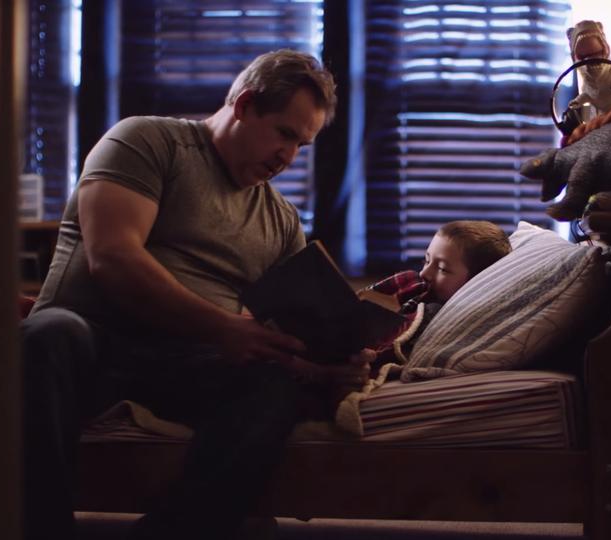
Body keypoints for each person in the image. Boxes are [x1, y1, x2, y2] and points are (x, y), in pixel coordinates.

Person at [20, 49, 372, 540]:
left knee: (273, 386)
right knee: (46, 334)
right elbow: (113, 258)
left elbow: (289, 332)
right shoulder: (147, 141)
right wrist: (222, 327)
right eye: (284, 134)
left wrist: (331, 365)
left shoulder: (280, 221)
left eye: (301, 145)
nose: (288, 157)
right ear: (245, 105)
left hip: (188, 364)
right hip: (93, 343)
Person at [363, 220, 511, 369]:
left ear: (475, 282)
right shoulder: (413, 284)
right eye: (426, 260)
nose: (424, 273)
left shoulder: (444, 320)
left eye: (442, 269)